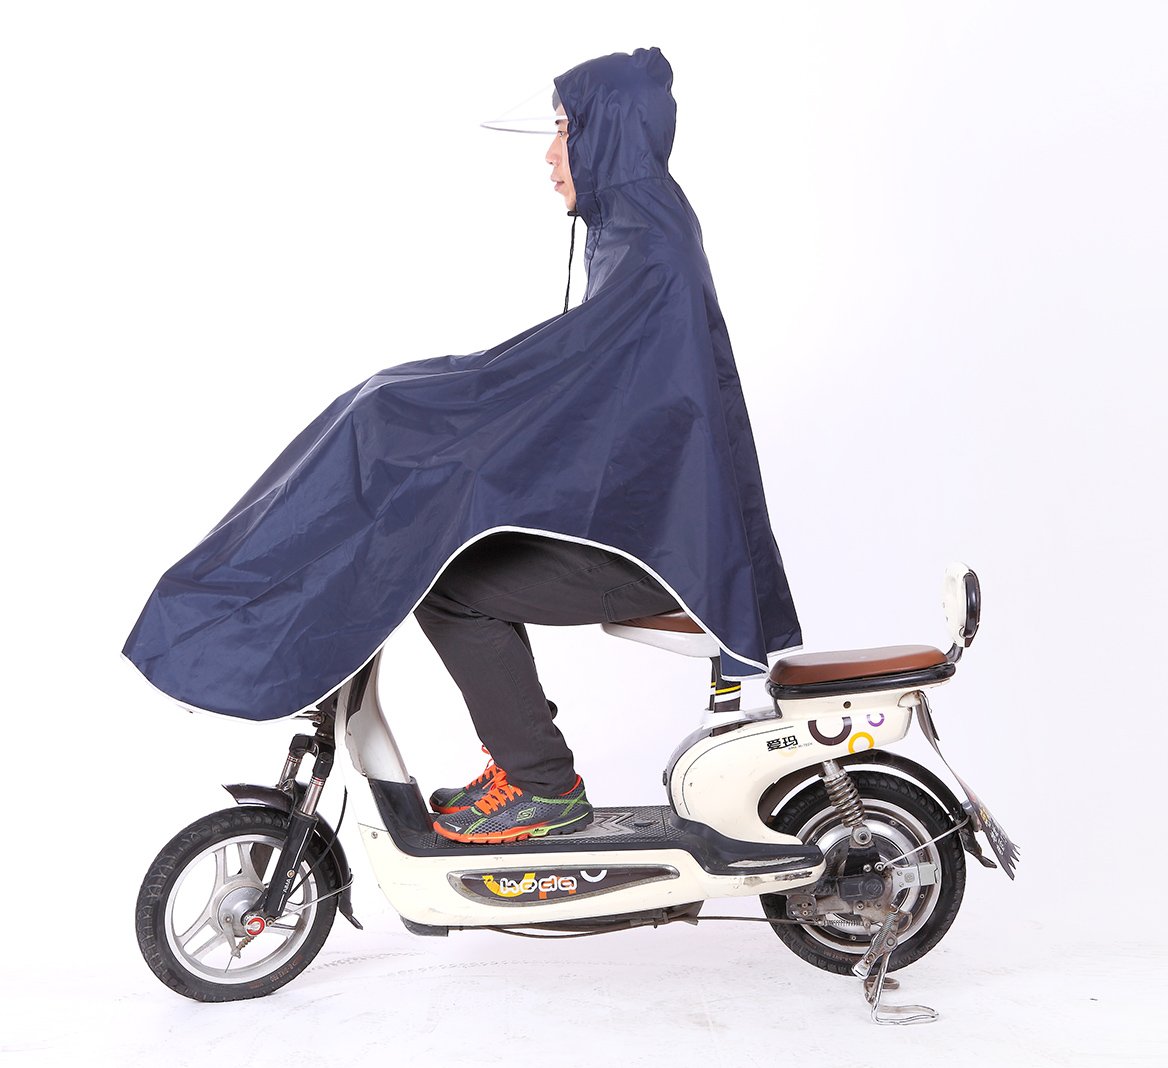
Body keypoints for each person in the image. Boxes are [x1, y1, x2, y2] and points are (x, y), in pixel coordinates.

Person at [123, 49, 801, 837]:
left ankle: (541, 784)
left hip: (662, 551)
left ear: (606, 135)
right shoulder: (639, 231)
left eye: (564, 131)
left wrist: (432, 412)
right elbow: (590, 394)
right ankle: (525, 760)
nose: (551, 155)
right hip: (660, 532)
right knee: (443, 547)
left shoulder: (649, 249)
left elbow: (565, 387)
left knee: (450, 582)